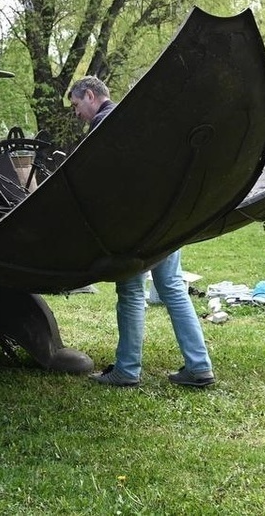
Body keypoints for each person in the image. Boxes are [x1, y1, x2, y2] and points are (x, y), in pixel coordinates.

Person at [66, 75, 215, 389]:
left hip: (135, 226)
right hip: (166, 219)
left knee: (132, 293)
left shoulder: (105, 126)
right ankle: (199, 366)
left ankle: (127, 370)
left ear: (90, 96)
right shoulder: (139, 120)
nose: (77, 113)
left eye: (77, 105)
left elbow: (104, 184)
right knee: (173, 290)